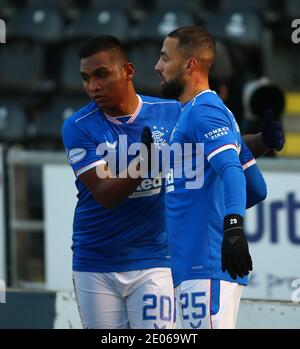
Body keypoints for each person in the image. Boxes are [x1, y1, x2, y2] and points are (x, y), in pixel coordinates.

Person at [62, 34, 283, 329]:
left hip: (156, 257)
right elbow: (106, 193)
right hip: (97, 259)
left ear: (127, 71)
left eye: (101, 75)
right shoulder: (78, 126)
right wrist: (144, 161)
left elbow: (213, 147)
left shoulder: (172, 111)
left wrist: (260, 141)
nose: (93, 87)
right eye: (86, 78)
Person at [154, 26, 284, 329]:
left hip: (205, 265)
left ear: (189, 65)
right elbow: (256, 188)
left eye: (164, 58)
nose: (157, 66)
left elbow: (230, 170)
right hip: (197, 265)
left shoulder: (204, 112)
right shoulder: (210, 112)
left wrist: (233, 229)